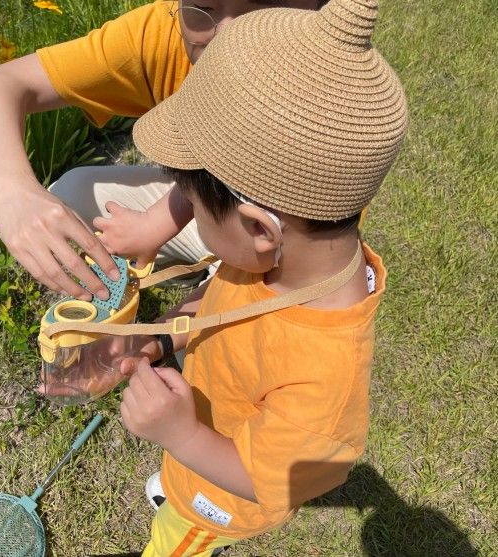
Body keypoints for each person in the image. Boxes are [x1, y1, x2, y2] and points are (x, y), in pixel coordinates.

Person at [111, 0, 409, 554]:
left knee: (174, 537)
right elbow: (219, 306)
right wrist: (161, 338)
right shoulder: (281, 260)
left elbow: (268, 482)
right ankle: (177, 478)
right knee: (181, 469)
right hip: (203, 431)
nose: (191, 220)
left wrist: (181, 435)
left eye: (195, 210)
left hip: (218, 501)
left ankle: (178, 506)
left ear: (259, 228)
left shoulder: (326, 379)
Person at [0, 0, 327, 302]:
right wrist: (10, 188)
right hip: (213, 209)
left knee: (217, 353)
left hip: (288, 246)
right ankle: (197, 267)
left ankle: (207, 282)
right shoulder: (162, 32)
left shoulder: (332, 84)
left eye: (261, 7)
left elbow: (298, 254)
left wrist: (167, 332)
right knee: (73, 192)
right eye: (203, 6)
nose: (225, 36)